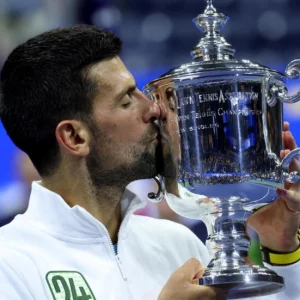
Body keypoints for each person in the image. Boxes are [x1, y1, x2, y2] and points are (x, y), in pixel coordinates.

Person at [0, 25, 299, 300]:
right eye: (127, 100)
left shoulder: (177, 243)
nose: (154, 109)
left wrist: (280, 245)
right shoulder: (10, 263)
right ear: (75, 137)